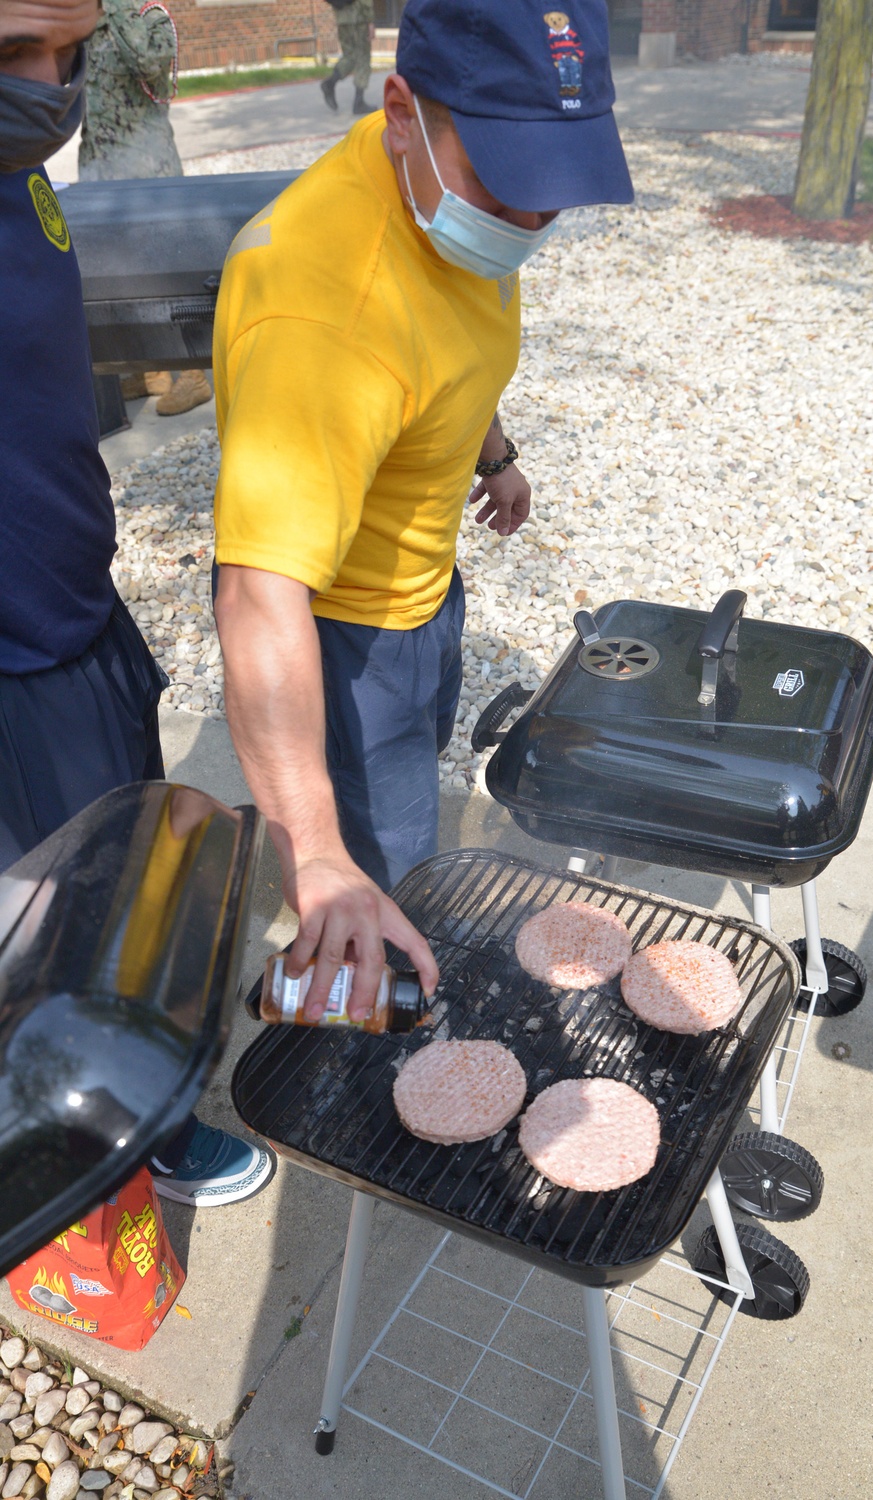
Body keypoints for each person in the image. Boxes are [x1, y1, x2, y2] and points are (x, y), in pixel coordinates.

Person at [212, 0, 633, 1023]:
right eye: (510, 184)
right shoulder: (321, 313)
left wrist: (493, 451)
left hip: (424, 586)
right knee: (377, 877)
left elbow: (445, 343)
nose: (531, 221)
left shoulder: (436, 184)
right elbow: (258, 594)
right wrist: (313, 851)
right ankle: (365, 1041)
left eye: (555, 192)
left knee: (403, 825)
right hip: (347, 641)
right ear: (401, 110)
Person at [0, 0, 271, 1206]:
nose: (52, 87)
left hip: (69, 600)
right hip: (13, 654)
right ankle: (113, 1140)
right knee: (71, 920)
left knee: (125, 875)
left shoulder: (25, 178)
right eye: (15, 54)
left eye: (72, 52)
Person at [78, 0, 211, 417]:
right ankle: (148, 369)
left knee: (168, 272)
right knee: (116, 273)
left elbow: (149, 63)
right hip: (102, 168)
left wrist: (115, 7)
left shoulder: (151, 18)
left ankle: (193, 376)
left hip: (147, 172)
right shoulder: (90, 26)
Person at [320, 0, 373, 116]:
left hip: (342, 19)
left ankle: (330, 83)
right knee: (363, 58)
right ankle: (358, 102)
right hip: (358, 19)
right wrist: (370, 21)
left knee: (350, 56)